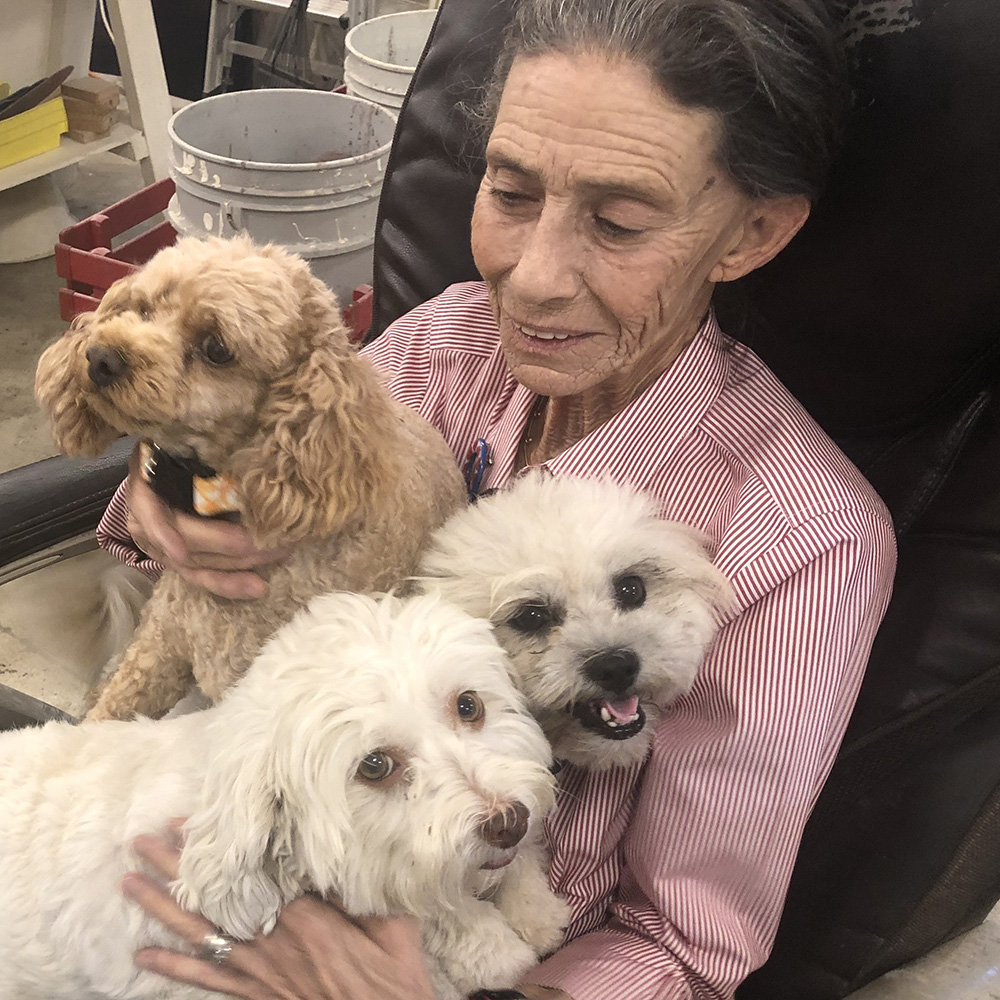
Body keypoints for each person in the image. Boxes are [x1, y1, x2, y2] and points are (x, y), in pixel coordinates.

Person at [98, 1, 897, 997]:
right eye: (510, 192)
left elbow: (678, 952)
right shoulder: (447, 344)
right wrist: (179, 492)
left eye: (617, 223)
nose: (531, 277)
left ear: (751, 232)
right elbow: (232, 503)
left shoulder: (802, 539)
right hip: (247, 838)